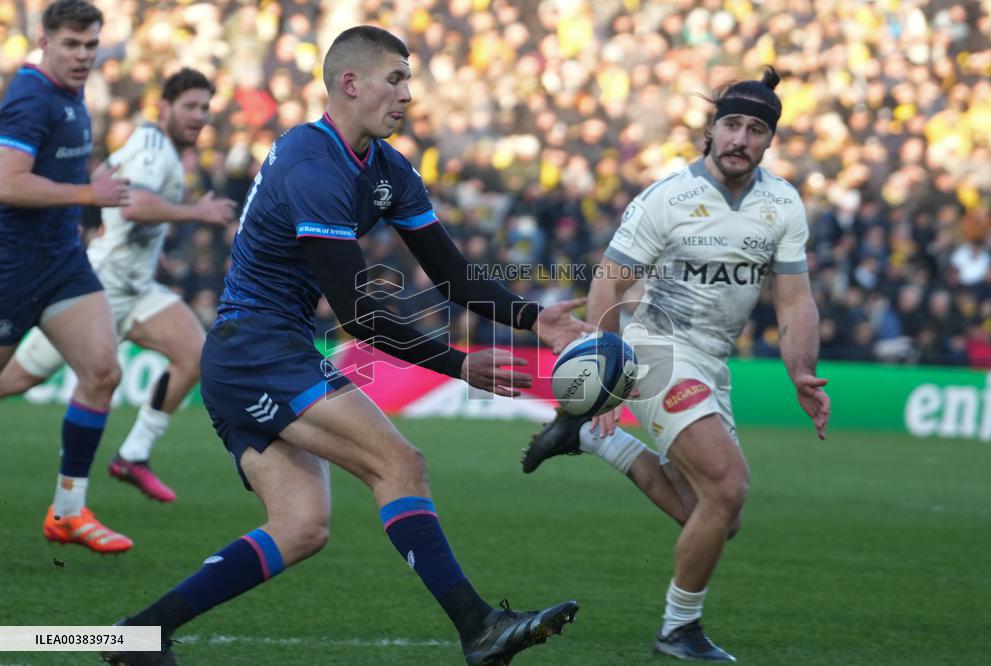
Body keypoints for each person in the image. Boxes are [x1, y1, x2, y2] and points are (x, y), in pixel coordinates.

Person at [103, 26, 588, 666]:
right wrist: (461, 365)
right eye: (397, 79)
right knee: (400, 464)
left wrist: (533, 318)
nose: (408, 95)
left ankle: (139, 636)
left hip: (260, 351)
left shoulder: (386, 168)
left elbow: (449, 272)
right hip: (258, 350)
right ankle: (478, 627)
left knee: (301, 526)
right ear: (349, 84)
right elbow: (360, 315)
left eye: (409, 80)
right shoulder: (312, 163)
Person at [522, 67, 831, 662]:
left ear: (770, 141)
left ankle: (596, 442)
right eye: (732, 124)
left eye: (756, 129)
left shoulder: (782, 204)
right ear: (711, 130)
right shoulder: (669, 197)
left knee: (717, 515)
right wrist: (605, 377)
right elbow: (609, 284)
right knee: (729, 484)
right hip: (652, 351)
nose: (741, 138)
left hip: (711, 361)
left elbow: (795, 300)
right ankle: (677, 629)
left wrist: (801, 372)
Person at [0, 68, 236, 503]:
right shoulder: (152, 148)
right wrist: (194, 214)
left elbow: (117, 187)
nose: (199, 116)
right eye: (190, 106)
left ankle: (133, 455)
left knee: (195, 354)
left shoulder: (157, 148)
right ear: (164, 108)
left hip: (138, 289)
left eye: (205, 108)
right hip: (97, 291)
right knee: (12, 380)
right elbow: (134, 205)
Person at [0, 0, 133, 553]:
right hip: (11, 265)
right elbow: (7, 183)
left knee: (102, 371)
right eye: (72, 45)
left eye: (90, 45)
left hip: (61, 263)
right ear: (45, 42)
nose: (82, 55)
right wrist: (87, 194)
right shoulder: (31, 96)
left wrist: (87, 191)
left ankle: (68, 512)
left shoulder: (73, 95)